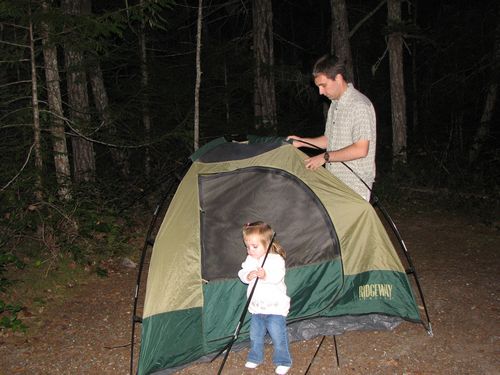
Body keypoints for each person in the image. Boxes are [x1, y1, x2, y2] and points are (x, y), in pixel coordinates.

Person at [287, 54, 376, 201]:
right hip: (334, 182)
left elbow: (361, 149)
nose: (321, 92)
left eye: (323, 85)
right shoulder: (335, 105)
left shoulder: (359, 105)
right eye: (318, 87)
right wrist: (302, 142)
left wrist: (324, 157)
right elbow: (329, 140)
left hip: (354, 187)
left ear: (338, 78)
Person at [238, 221, 292, 375]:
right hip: (257, 308)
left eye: (254, 246)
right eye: (248, 246)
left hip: (275, 308)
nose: (250, 250)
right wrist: (247, 276)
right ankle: (255, 357)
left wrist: (265, 275)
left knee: (278, 336)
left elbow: (277, 276)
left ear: (267, 244)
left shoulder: (276, 260)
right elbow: (242, 272)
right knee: (255, 336)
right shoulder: (250, 260)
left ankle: (283, 361)